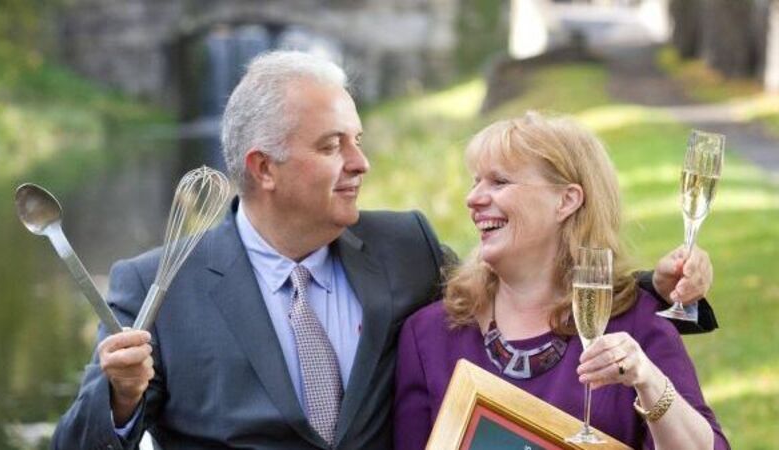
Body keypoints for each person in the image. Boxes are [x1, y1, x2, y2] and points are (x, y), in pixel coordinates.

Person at [52, 52, 716, 450]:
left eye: (358, 140)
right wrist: (120, 399)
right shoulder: (156, 287)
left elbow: (526, 284)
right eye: (332, 146)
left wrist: (655, 289)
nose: (360, 163)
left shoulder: (404, 247)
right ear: (264, 167)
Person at [393, 112, 729, 449]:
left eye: (499, 182)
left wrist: (649, 380)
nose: (473, 199)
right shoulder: (429, 335)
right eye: (475, 182)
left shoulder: (636, 322)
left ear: (566, 201)